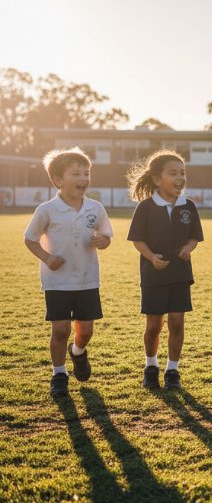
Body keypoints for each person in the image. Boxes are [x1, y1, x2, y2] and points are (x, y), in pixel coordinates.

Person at [24, 147, 113, 397]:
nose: (84, 179)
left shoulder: (95, 208)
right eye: (77, 174)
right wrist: (47, 257)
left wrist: (102, 241)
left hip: (87, 280)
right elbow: (30, 239)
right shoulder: (46, 210)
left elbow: (107, 236)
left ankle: (78, 352)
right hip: (57, 281)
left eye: (87, 173)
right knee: (61, 329)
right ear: (58, 180)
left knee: (85, 331)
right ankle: (59, 373)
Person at [126, 150, 204, 390]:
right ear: (157, 179)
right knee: (153, 325)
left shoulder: (188, 206)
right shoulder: (146, 207)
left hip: (180, 275)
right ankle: (151, 366)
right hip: (153, 276)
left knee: (177, 323)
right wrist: (151, 257)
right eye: (173, 173)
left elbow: (195, 237)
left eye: (183, 173)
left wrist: (187, 248)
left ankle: (172, 370)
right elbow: (137, 239)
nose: (180, 178)